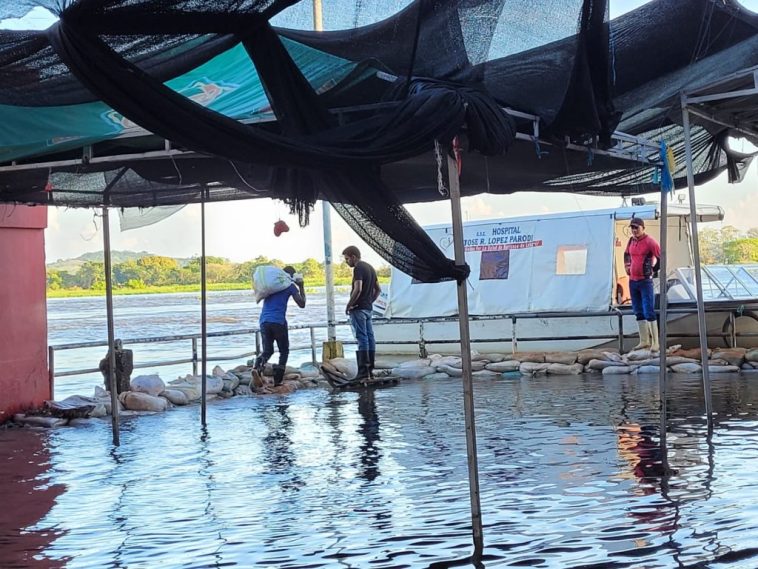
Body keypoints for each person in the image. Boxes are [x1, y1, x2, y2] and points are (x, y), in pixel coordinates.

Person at [253, 266, 306, 386]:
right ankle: (278, 380)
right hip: (278, 321)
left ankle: (257, 369)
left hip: (264, 321)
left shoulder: (271, 286)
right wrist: (301, 286)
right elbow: (302, 304)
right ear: (292, 276)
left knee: (268, 351)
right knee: (284, 351)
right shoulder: (290, 286)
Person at [343, 245, 381, 380]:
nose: (346, 262)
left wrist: (349, 305)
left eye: (347, 259)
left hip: (358, 308)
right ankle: (370, 370)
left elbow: (357, 289)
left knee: (362, 338)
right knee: (370, 337)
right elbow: (378, 290)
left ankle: (363, 372)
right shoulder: (370, 267)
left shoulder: (359, 268)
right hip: (368, 308)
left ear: (353, 257)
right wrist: (370, 301)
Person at [624, 217, 661, 352]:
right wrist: (627, 267)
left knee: (648, 310)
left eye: (636, 228)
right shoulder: (631, 241)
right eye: (632, 228)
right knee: (638, 310)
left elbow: (661, 257)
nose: (634, 230)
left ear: (643, 228)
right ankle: (644, 340)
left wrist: (653, 270)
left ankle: (655, 342)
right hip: (633, 281)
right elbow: (626, 255)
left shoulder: (650, 242)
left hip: (645, 281)